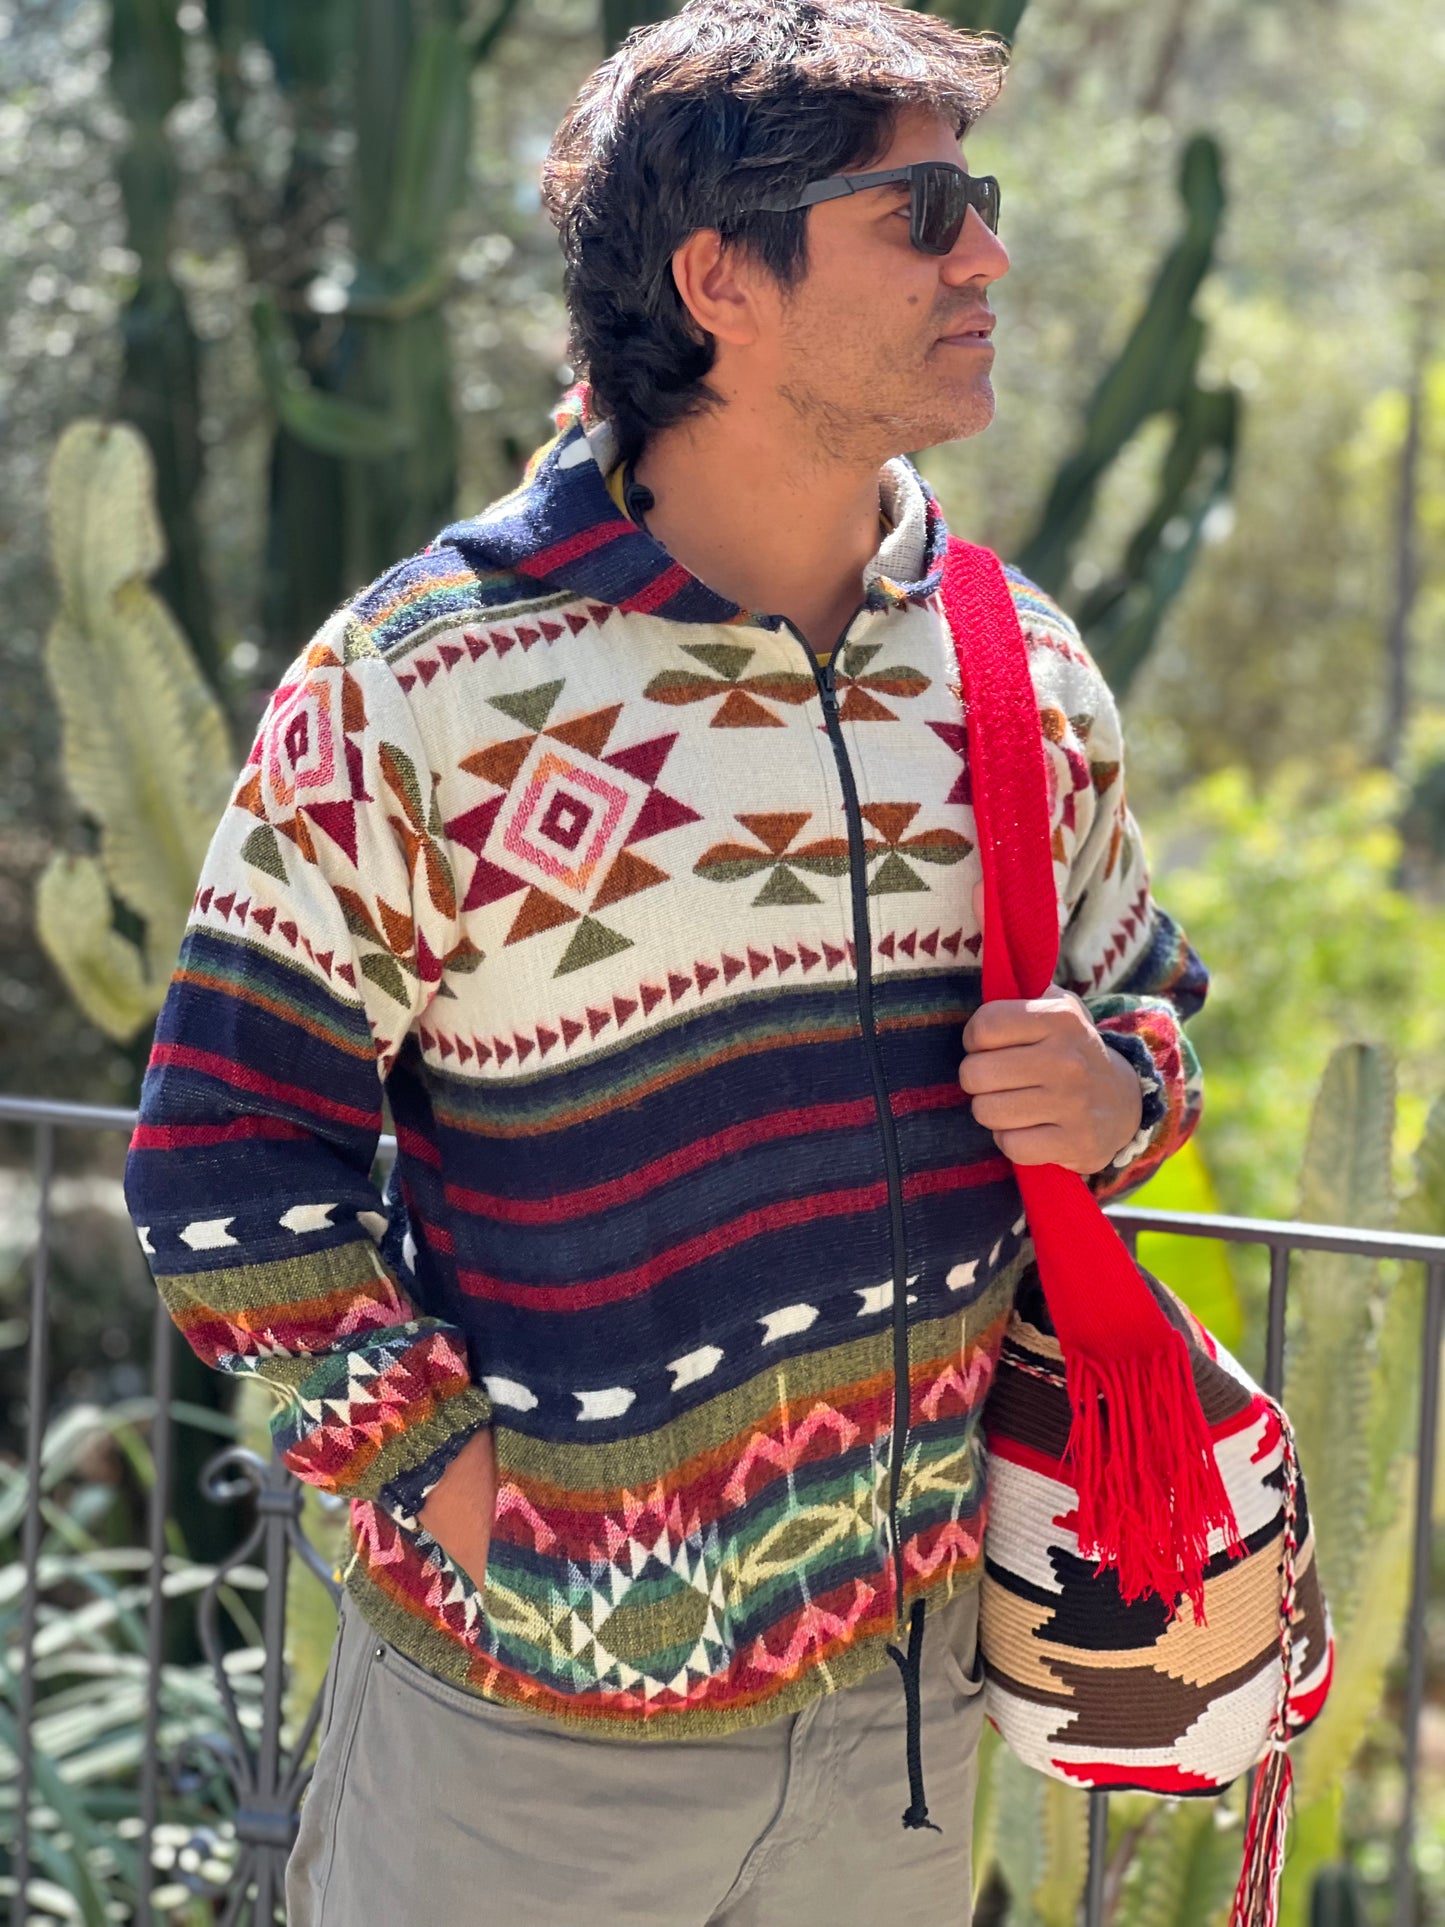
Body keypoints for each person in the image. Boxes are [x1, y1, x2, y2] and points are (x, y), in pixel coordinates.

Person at [125, 1, 1210, 1919]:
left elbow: (1137, 1021)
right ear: (721, 277)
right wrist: (479, 1500)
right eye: (925, 209)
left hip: (902, 1727)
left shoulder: (1016, 666)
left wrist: (1124, 1090)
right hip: (518, 1757)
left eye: (981, 202)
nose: (989, 256)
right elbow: (223, 1144)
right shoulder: (425, 679)